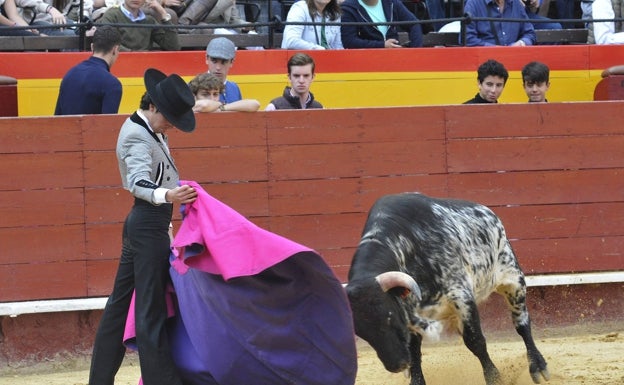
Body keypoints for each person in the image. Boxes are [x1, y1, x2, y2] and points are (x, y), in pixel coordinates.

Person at [88, 68, 197, 385]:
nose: (173, 125)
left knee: (120, 308)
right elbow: (138, 182)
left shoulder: (152, 129)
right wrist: (169, 195)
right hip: (147, 224)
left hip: (149, 225)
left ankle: (99, 380)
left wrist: (168, 224)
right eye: (171, 117)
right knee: (149, 311)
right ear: (155, 107)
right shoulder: (136, 134)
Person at [55, 25, 122, 115]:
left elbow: (57, 117)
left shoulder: (70, 74)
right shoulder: (112, 84)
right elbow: (108, 126)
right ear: (115, 49)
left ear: (92, 47)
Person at [96, 0, 180, 51]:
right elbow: (107, 43)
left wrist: (163, 13)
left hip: (144, 66)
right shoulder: (112, 14)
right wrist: (134, 54)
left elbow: (173, 46)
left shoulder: (149, 20)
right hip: (119, 64)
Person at [340, 0, 423, 48]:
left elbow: (414, 24)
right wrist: (382, 45)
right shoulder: (348, 8)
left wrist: (415, 51)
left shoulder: (392, 3)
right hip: (364, 60)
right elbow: (349, 41)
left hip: (395, 58)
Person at [463, 0, 536, 46]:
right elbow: (468, 39)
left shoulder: (516, 3)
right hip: (485, 62)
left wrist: (521, 43)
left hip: (514, 58)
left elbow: (530, 33)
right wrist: (496, 50)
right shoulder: (473, 3)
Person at [189, 72, 260, 112]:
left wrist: (222, 108)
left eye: (215, 94)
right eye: (205, 94)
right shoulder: (191, 107)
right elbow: (204, 105)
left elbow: (255, 104)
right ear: (194, 96)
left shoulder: (219, 107)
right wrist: (220, 104)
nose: (211, 99)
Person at [205, 37, 242, 103]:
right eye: (214, 61)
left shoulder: (234, 88)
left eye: (224, 62)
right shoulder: (194, 86)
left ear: (231, 62)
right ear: (207, 59)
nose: (218, 67)